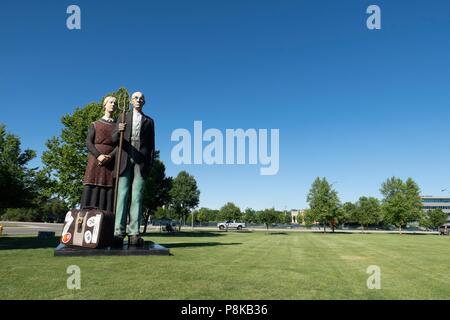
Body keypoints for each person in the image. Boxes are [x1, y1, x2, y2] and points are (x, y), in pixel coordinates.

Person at [112, 91, 155, 247]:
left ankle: (134, 233)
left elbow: (151, 146)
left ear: (144, 102)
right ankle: (118, 232)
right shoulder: (122, 117)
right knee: (122, 195)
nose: (139, 100)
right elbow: (114, 139)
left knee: (137, 197)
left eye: (141, 98)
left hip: (141, 163)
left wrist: (150, 164)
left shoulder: (149, 121)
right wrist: (119, 130)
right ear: (131, 101)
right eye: (136, 98)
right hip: (124, 160)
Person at [80, 96, 118, 213]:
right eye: (110, 102)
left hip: (111, 163)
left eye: (115, 103)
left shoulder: (118, 126)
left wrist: (110, 156)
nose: (113, 104)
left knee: (107, 189)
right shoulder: (95, 124)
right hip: (95, 161)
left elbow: (120, 145)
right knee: (91, 185)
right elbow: (88, 142)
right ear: (104, 105)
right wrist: (99, 155)